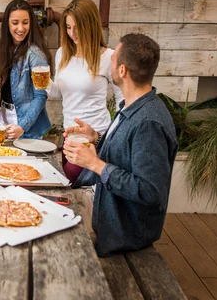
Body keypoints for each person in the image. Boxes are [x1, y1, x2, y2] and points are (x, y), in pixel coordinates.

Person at [63, 33, 178, 258]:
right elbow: (125, 153)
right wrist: (95, 138)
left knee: (52, 237)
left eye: (113, 59)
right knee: (43, 205)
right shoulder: (131, 106)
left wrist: (95, 164)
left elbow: (150, 191)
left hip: (118, 223)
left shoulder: (149, 123)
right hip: (102, 200)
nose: (109, 62)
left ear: (123, 71)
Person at [47, 0, 123, 182]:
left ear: (90, 25)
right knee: (74, 190)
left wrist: (111, 136)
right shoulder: (62, 53)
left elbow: (124, 100)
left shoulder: (108, 57)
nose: (72, 33)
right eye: (68, 26)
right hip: (68, 136)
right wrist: (43, 84)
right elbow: (58, 93)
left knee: (73, 187)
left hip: (93, 138)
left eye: (77, 27)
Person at [0, 0, 51, 140]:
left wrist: (22, 126)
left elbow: (41, 96)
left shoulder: (35, 54)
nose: (20, 28)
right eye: (15, 23)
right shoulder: (1, 50)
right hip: (3, 117)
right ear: (7, 23)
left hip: (25, 123)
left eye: (25, 23)